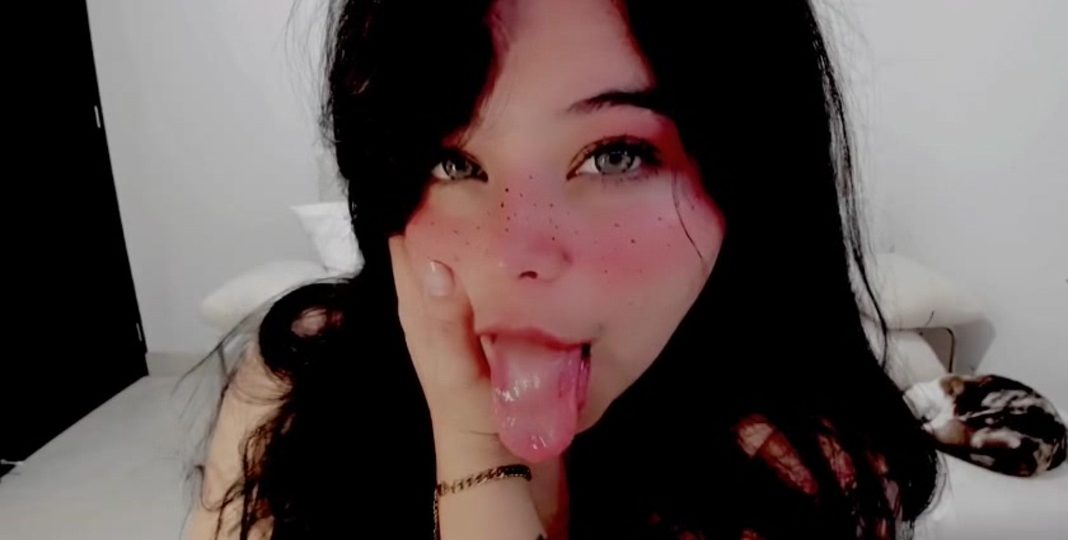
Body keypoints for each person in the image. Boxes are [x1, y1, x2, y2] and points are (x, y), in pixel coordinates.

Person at [184, 0, 941, 538]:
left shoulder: (804, 471)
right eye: (452, 163)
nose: (516, 255)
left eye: (616, 156)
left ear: (748, 175)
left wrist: (480, 472)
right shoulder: (293, 387)